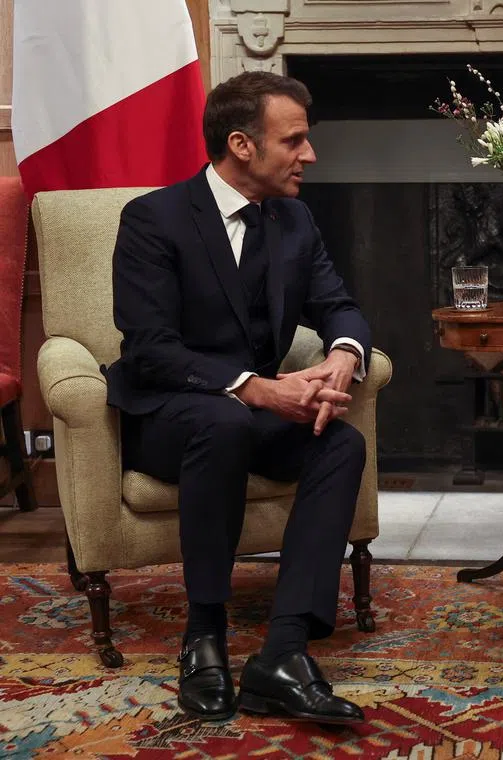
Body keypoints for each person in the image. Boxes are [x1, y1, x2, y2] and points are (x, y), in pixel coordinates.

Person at [106, 71, 372, 724]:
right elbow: (149, 347)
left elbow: (338, 306)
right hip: (169, 414)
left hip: (248, 414)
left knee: (340, 443)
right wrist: (258, 388)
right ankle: (204, 637)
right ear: (241, 145)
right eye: (295, 141)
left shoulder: (295, 221)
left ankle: (281, 654)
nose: (309, 155)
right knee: (222, 421)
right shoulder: (152, 219)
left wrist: (343, 355)